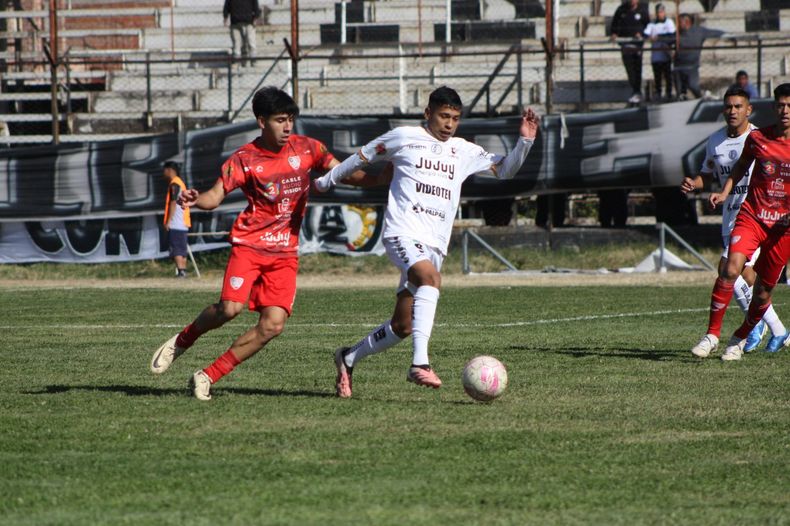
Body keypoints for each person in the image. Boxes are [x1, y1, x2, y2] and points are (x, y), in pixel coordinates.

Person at [314, 86, 539, 398]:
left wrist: (525, 141)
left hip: (434, 245)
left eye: (455, 119)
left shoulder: (463, 151)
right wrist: (326, 181)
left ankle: (348, 358)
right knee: (431, 279)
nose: (449, 124)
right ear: (428, 114)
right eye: (444, 116)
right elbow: (361, 157)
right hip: (402, 233)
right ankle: (420, 364)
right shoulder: (403, 136)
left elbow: (505, 170)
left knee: (402, 326)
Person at [150, 86, 348, 400]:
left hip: (285, 253)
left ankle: (207, 376)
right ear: (261, 121)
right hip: (250, 246)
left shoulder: (309, 148)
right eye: (280, 120)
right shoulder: (244, 158)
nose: (287, 127)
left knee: (273, 325)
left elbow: (342, 170)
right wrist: (195, 198)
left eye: (290, 120)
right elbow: (214, 196)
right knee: (230, 309)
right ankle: (183, 340)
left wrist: (381, 177)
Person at [682, 87, 786, 359]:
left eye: (738, 106)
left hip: (771, 222)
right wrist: (699, 184)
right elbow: (712, 173)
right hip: (738, 215)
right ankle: (765, 329)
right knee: (739, 273)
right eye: (728, 106)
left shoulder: (758, 137)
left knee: (743, 276)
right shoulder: (720, 141)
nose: (732, 111)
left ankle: (757, 330)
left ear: (748, 109)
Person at [673, 14, 724, 100]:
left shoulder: (699, 31)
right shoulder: (677, 34)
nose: (678, 24)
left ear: (687, 22)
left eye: (680, 22)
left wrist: (726, 34)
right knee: (680, 92)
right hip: (678, 67)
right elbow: (666, 38)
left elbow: (714, 32)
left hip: (692, 67)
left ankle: (702, 97)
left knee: (693, 85)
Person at [610, 0, 649, 104]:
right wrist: (614, 33)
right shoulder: (621, 10)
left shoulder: (643, 10)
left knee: (637, 69)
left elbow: (648, 26)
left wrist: (641, 35)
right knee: (630, 70)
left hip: (637, 46)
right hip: (626, 45)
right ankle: (636, 91)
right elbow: (614, 25)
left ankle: (637, 92)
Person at [162, 161, 191, 278]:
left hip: (176, 222)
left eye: (164, 170)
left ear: (169, 170)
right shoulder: (181, 183)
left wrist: (168, 221)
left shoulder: (174, 184)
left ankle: (181, 271)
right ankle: (183, 270)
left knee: (177, 248)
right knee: (182, 248)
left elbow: (173, 202)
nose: (163, 173)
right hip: (183, 221)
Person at [643, 3, 675, 101]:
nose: (660, 14)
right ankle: (658, 93)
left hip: (665, 54)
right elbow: (645, 34)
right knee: (657, 76)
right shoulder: (652, 24)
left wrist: (659, 37)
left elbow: (672, 36)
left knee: (667, 75)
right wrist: (650, 38)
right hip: (656, 55)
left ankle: (669, 93)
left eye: (661, 12)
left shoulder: (669, 22)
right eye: (658, 12)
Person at [223, 0, 261, 66]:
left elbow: (255, 5)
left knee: (251, 42)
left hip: (247, 22)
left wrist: (256, 17)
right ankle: (238, 62)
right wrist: (225, 17)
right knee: (237, 44)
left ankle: (253, 62)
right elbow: (227, 6)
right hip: (236, 22)